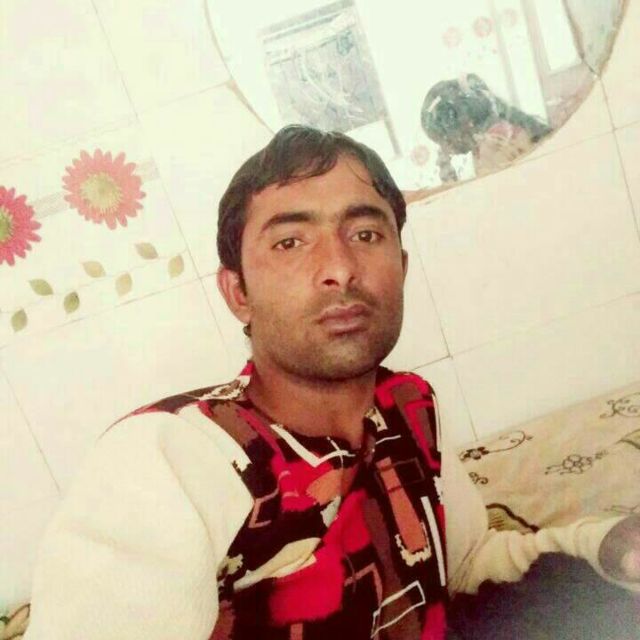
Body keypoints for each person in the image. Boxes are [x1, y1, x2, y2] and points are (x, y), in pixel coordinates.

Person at [23, 126, 639, 639]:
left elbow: (462, 569)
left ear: (401, 267)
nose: (340, 268)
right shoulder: (169, 458)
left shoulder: (409, 408)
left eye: (365, 234)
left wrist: (605, 545)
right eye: (290, 242)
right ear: (238, 293)